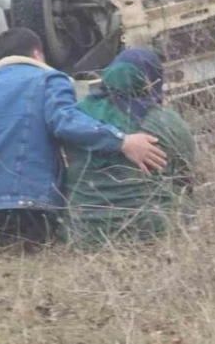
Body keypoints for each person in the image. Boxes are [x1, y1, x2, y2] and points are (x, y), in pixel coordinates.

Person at [0, 28, 168, 252]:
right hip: (22, 211)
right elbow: (65, 122)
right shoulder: (48, 79)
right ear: (37, 54)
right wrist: (122, 141)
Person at [63, 48, 196, 246]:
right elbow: (185, 178)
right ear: (152, 80)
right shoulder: (164, 121)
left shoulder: (77, 118)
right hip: (154, 226)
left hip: (85, 234)